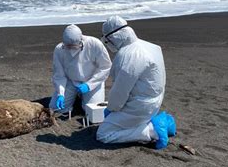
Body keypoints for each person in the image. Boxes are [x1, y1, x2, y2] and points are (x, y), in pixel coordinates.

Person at [96, 15, 176, 149]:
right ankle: (159, 121)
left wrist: (111, 109)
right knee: (120, 121)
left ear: (114, 37)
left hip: (139, 106)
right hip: (154, 101)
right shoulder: (150, 46)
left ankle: (153, 130)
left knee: (104, 134)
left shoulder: (128, 55)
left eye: (107, 40)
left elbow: (120, 91)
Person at [50, 24, 111, 114]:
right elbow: (59, 75)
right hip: (71, 81)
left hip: (92, 81)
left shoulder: (94, 44)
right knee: (55, 108)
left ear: (81, 40)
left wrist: (89, 85)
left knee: (92, 112)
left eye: (74, 47)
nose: (71, 50)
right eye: (68, 47)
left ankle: (82, 97)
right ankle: (77, 96)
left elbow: (105, 67)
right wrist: (60, 93)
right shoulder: (59, 50)